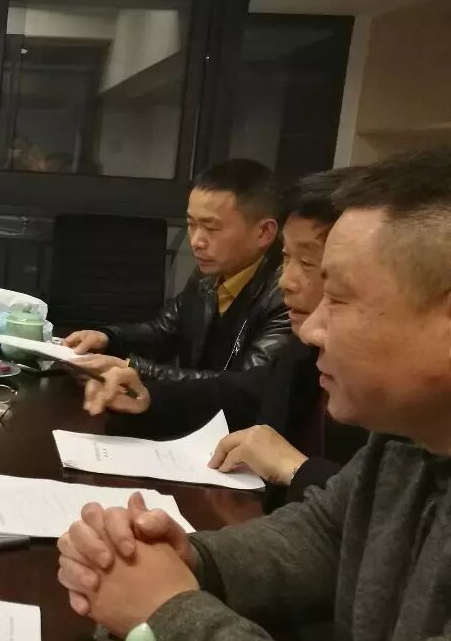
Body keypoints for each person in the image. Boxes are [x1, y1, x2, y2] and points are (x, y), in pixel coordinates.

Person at [56, 146, 451, 641]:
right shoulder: (409, 440)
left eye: (339, 298)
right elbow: (325, 533)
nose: (311, 328)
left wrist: (171, 611)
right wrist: (190, 558)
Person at [83, 169, 369, 509]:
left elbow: (384, 512)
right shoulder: (302, 348)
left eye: (307, 263)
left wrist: (298, 470)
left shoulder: (393, 387)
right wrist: (149, 398)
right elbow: (244, 390)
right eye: (286, 258)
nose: (286, 281)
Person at [64, 159, 291, 381]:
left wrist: (134, 369)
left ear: (264, 233)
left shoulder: (287, 296)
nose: (196, 241)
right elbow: (163, 331)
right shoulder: (207, 276)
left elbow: (245, 386)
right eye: (192, 224)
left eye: (211, 228)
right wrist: (107, 338)